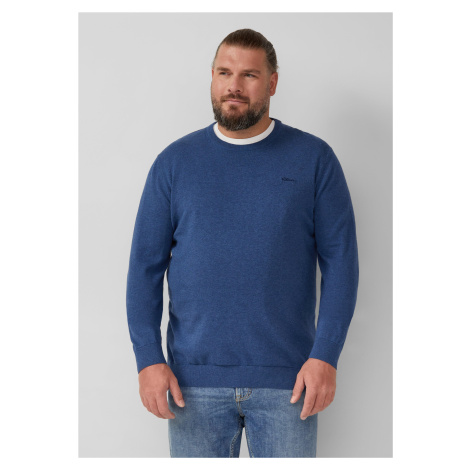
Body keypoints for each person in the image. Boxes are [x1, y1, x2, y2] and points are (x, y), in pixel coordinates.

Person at [126, 28, 359, 458]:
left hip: (290, 382)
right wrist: (148, 359)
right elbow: (144, 267)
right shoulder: (174, 163)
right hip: (191, 385)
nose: (233, 85)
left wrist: (326, 355)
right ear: (212, 77)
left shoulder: (314, 159)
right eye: (224, 72)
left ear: (272, 83)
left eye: (249, 75)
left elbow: (341, 263)